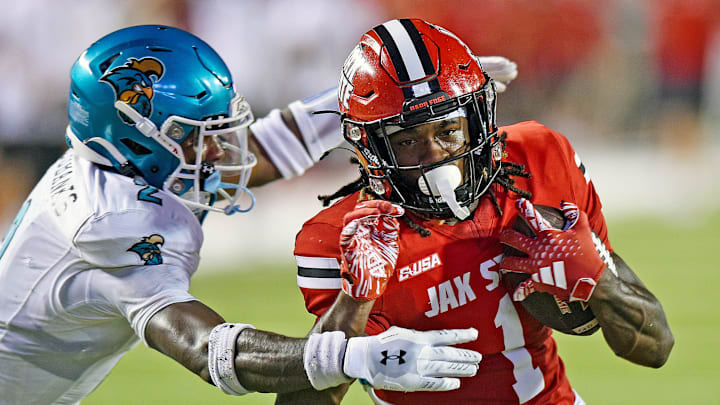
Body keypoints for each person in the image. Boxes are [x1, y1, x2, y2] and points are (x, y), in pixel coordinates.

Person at [0, 24, 545, 404]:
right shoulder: (112, 225)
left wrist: (393, 99)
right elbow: (208, 350)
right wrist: (351, 357)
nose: (221, 149)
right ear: (133, 138)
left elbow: (253, 152)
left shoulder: (127, 165)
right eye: (197, 136)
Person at [280, 18, 675, 405]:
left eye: (448, 130)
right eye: (407, 140)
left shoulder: (539, 160)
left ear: (478, 121)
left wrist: (598, 277)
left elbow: (655, 348)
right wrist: (355, 298)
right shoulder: (343, 235)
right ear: (371, 149)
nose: (435, 157)